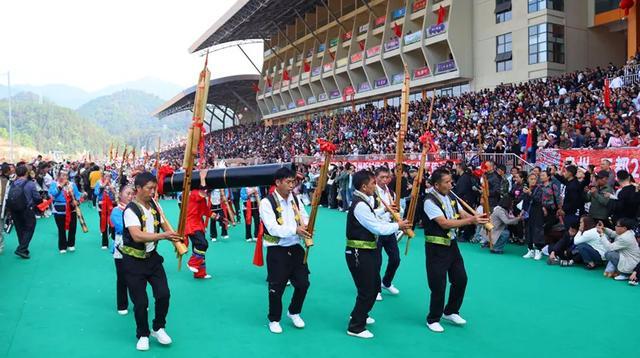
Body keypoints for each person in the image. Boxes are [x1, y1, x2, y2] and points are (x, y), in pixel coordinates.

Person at [345, 169, 411, 339]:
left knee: (373, 286)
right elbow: (377, 227)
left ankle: (358, 314)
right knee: (367, 289)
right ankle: (355, 327)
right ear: (364, 186)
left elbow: (373, 217)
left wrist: (386, 212)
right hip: (359, 252)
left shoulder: (364, 201)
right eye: (373, 183)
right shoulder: (360, 204)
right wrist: (399, 225)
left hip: (367, 250)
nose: (376, 185)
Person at [120, 172, 181, 351]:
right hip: (133, 261)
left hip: (152, 259)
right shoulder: (130, 210)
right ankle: (143, 334)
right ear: (138, 189)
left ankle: (158, 327)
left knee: (164, 294)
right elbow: (137, 235)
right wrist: (164, 236)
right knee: (141, 303)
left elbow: (163, 223)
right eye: (149, 188)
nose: (153, 192)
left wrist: (175, 237)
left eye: (154, 188)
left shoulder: (154, 204)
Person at [423, 168, 488, 333]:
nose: (451, 184)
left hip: (451, 245)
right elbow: (444, 223)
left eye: (451, 181)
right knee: (439, 285)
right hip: (436, 247)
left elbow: (462, 213)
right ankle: (433, 318)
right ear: (437, 184)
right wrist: (471, 220)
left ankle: (451, 311)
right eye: (447, 182)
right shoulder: (429, 200)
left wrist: (477, 220)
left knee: (461, 279)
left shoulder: (451, 195)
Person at [259, 167, 311, 334]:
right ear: (278, 183)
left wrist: (307, 225)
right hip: (277, 249)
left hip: (295, 246)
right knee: (277, 287)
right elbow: (273, 228)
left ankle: (294, 312)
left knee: (303, 283)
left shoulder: (295, 198)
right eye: (288, 182)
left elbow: (304, 216)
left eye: (293, 182)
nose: (291, 185)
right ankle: (274, 319)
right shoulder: (267, 202)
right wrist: (296, 230)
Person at [373, 166, 401, 300]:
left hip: (389, 229)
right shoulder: (372, 193)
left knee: (395, 259)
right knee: (376, 261)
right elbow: (370, 213)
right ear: (375, 178)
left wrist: (397, 213)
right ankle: (375, 288)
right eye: (381, 177)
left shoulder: (392, 193)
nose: (385, 180)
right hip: (376, 230)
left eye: (387, 177)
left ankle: (386, 282)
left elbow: (396, 212)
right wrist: (385, 209)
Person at [110, 184, 134, 315]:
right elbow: (120, 227)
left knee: (137, 276)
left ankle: (138, 302)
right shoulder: (116, 211)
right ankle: (122, 304)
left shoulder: (135, 209)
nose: (130, 196)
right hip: (122, 247)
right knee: (122, 277)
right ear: (120, 195)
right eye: (127, 193)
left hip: (135, 246)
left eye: (132, 194)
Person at [185, 170, 213, 279]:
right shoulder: (195, 193)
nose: (208, 193)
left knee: (198, 249)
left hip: (198, 224)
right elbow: (202, 191)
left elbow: (206, 212)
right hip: (192, 225)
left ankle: (200, 273)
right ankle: (192, 263)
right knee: (203, 244)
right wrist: (202, 177)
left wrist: (221, 218)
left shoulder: (201, 198)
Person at [11, 165, 42, 259]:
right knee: (30, 228)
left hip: (14, 209)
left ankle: (23, 249)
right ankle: (21, 248)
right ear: (26, 173)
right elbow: (36, 197)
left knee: (19, 229)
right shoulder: (30, 184)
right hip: (27, 209)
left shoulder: (12, 183)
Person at [48, 170, 81, 253]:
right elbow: (52, 194)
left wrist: (77, 201)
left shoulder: (72, 184)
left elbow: (78, 195)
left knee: (72, 227)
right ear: (58, 176)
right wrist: (61, 186)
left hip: (71, 209)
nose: (64, 177)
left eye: (66, 175)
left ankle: (71, 244)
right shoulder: (54, 184)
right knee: (61, 228)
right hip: (59, 209)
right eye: (62, 175)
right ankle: (62, 246)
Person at [522, 173, 546, 260]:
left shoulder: (539, 189)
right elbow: (524, 201)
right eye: (531, 179)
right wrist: (523, 211)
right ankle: (530, 250)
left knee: (537, 231)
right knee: (528, 231)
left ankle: (538, 251)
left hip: (537, 213)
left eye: (534, 179)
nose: (532, 181)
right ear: (528, 180)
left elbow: (538, 200)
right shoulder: (525, 189)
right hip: (528, 213)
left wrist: (530, 193)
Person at [95, 172, 117, 249]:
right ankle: (104, 243)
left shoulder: (114, 183)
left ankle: (115, 241)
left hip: (112, 205)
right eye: (106, 175)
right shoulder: (99, 182)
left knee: (113, 223)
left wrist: (112, 189)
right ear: (103, 176)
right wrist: (103, 185)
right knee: (103, 222)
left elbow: (118, 195)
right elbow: (96, 193)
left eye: (109, 176)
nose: (107, 177)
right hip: (102, 205)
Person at [0, 163, 14, 254]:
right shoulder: (6, 181)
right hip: (2, 207)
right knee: (0, 228)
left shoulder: (7, 181)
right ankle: (0, 246)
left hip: (2, 207)